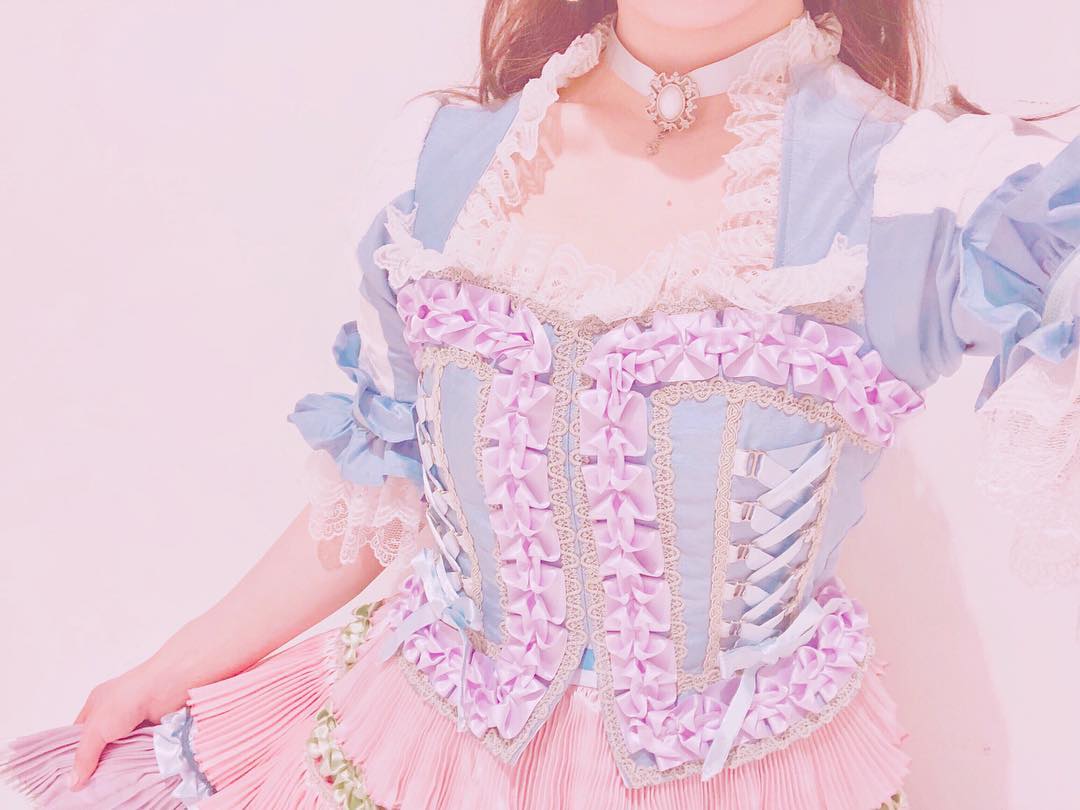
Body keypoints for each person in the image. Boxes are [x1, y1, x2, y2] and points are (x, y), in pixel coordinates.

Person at [3, 1, 1078, 808]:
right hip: (426, 755)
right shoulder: (438, 165)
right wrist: (176, 663)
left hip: (752, 776)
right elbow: (386, 481)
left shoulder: (925, 191)